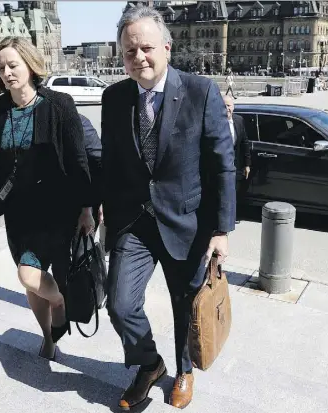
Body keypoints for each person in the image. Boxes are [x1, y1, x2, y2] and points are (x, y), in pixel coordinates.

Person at [100, 5, 236, 410]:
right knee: (120, 303)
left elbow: (222, 163)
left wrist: (221, 229)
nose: (138, 57)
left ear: (166, 47)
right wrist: (101, 209)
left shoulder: (200, 90)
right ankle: (149, 362)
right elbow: (112, 161)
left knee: (185, 305)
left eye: (145, 48)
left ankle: (183, 370)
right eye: (129, 51)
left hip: (186, 222)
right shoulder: (113, 97)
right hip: (134, 222)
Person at [0, 36, 95, 361]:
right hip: (19, 214)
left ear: (29, 65)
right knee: (30, 280)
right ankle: (50, 332)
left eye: (13, 65)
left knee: (38, 275)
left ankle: (59, 306)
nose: (8, 72)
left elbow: (79, 161)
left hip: (58, 212)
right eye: (1, 67)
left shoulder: (60, 105)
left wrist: (87, 208)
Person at [223, 95, 251, 224]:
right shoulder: (214, 122)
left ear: (233, 107)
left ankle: (231, 217)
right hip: (220, 166)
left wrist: (247, 164)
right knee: (222, 193)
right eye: (223, 106)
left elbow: (245, 142)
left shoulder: (239, 120)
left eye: (229, 105)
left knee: (233, 192)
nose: (226, 108)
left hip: (236, 165)